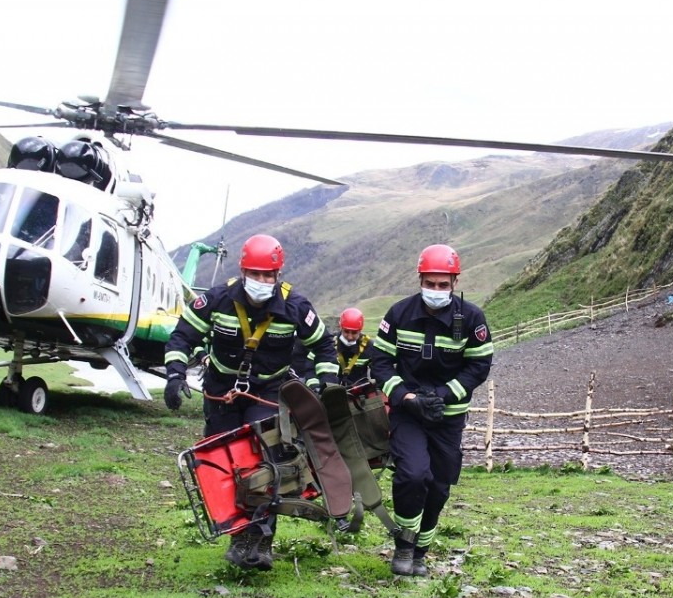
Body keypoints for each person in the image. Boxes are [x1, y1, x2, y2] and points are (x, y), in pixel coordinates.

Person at [163, 233, 340, 569]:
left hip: (268, 392)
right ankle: (238, 535)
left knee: (264, 463)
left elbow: (323, 346)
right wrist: (174, 375)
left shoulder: (296, 306)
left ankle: (260, 539)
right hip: (221, 391)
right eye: (255, 274)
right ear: (243, 271)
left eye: (268, 275)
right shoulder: (216, 299)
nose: (261, 281)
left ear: (278, 275)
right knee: (224, 463)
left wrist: (325, 383)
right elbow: (182, 337)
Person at [368, 244, 493, 576]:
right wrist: (406, 397)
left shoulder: (472, 319)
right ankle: (404, 546)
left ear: (454, 283)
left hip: (448, 418)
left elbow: (479, 366)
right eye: (430, 283)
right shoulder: (398, 314)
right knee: (412, 475)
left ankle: (420, 552)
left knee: (439, 486)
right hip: (408, 414)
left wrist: (443, 396)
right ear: (420, 280)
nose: (436, 290)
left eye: (443, 284)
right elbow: (380, 362)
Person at [336, 307, 372, 386]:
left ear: (360, 330)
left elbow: (378, 370)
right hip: (333, 389)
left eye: (354, 332)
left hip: (359, 390)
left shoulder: (369, 346)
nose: (350, 337)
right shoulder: (329, 344)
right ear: (340, 327)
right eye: (346, 331)